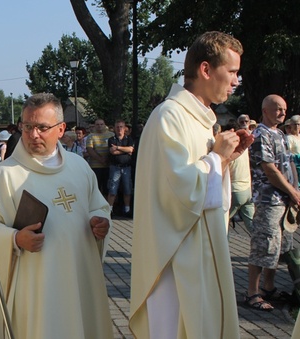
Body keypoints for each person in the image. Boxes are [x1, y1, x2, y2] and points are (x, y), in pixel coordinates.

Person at [129, 31, 251, 339]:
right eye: (232, 72)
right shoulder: (170, 116)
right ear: (206, 70)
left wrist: (225, 160)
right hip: (174, 257)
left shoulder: (202, 119)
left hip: (200, 250)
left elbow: (210, 192)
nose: (237, 81)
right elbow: (178, 191)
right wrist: (216, 159)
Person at [0, 93, 113, 339]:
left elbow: (98, 206)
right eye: (28, 127)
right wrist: (14, 239)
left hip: (79, 280)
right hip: (37, 287)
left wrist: (100, 222)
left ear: (61, 129)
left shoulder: (79, 167)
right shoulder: (5, 175)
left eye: (42, 127)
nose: (33, 135)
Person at [246, 94, 300, 311]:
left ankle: (269, 288)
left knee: (278, 246)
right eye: (278, 109)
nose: (282, 113)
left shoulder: (279, 133)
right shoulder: (260, 134)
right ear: (265, 110)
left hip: (284, 200)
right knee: (263, 245)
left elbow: (288, 164)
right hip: (269, 200)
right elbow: (270, 170)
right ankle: (252, 293)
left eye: (284, 109)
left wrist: (295, 190)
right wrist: (293, 193)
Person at [229, 114, 255, 231]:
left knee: (222, 224)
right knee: (253, 226)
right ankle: (264, 247)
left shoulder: (231, 150)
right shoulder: (244, 146)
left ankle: (224, 249)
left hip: (235, 190)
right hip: (248, 190)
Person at [107, 119, 135, 217]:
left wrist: (118, 148)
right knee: (112, 190)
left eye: (121, 127)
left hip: (126, 168)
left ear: (124, 128)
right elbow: (112, 152)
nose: (119, 129)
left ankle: (127, 210)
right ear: (114, 128)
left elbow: (131, 149)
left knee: (127, 189)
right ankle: (109, 210)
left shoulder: (129, 139)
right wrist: (126, 150)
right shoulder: (111, 139)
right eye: (117, 127)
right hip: (115, 168)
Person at [86, 118, 114, 196]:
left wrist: (107, 159)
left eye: (101, 124)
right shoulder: (91, 136)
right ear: (95, 126)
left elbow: (113, 147)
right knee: (96, 187)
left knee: (107, 187)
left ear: (105, 125)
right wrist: (101, 159)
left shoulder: (111, 135)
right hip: (95, 166)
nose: (99, 126)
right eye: (97, 124)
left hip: (108, 165)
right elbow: (90, 149)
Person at [286, 115, 300, 187]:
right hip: (295, 168)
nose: (297, 126)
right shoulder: (289, 138)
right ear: (291, 125)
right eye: (295, 124)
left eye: (298, 124)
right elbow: (288, 154)